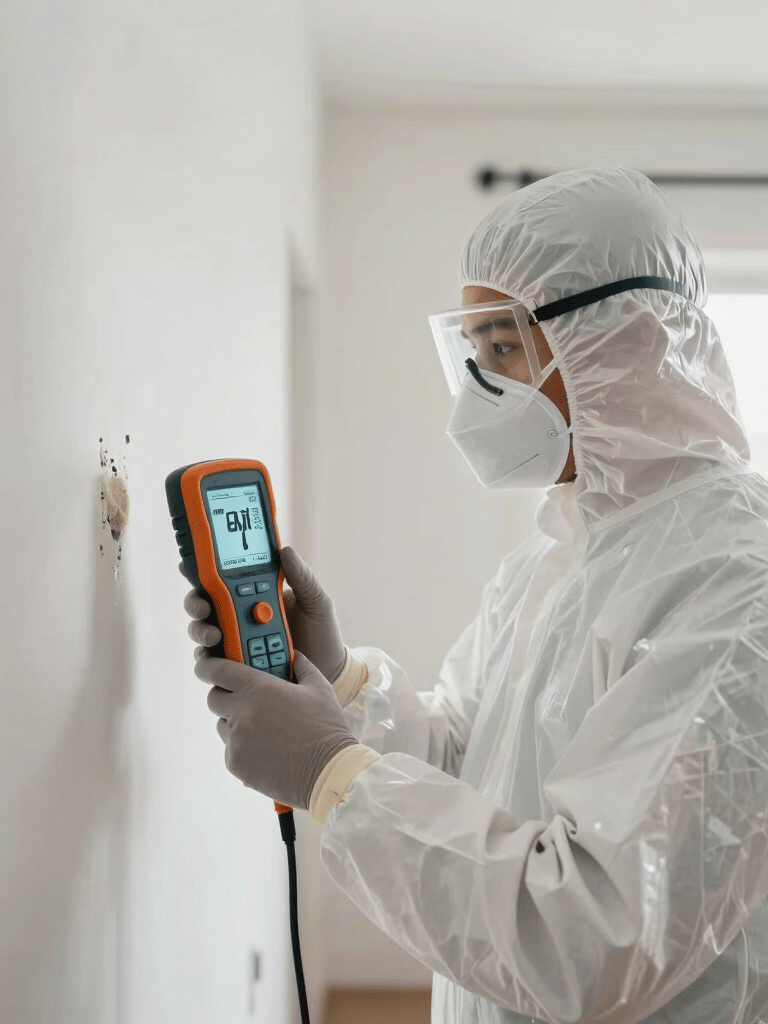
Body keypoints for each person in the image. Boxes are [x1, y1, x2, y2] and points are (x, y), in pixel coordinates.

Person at [184, 167, 768, 1024]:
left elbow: (594, 937)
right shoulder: (558, 555)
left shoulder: (735, 582)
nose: (477, 390)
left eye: (504, 348)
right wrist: (339, 683)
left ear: (629, 343)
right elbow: (474, 764)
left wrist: (331, 774)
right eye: (473, 351)